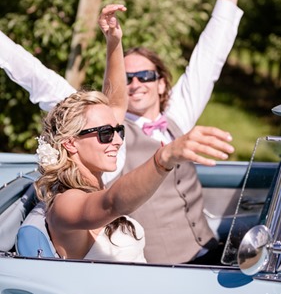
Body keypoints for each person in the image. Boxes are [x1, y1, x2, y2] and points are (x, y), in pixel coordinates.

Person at [0, 0, 255, 263]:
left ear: (163, 84)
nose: (134, 84)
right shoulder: (102, 130)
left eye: (145, 76)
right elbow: (34, 74)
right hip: (170, 269)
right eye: (128, 77)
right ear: (71, 142)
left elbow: (210, 56)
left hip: (207, 245)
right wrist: (164, 156)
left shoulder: (165, 116)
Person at [34, 88, 234, 262]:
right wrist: (163, 158)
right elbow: (111, 203)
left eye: (119, 131)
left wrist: (114, 45)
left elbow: (119, 102)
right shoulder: (64, 204)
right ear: (70, 143)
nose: (118, 141)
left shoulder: (96, 184)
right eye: (105, 133)